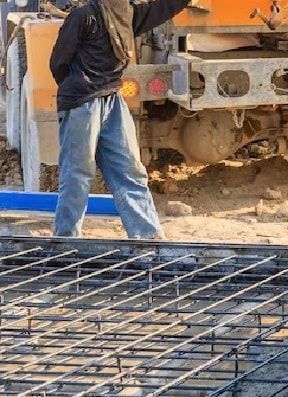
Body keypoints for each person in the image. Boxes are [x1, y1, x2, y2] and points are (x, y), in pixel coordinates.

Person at [50, 0, 193, 238]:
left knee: (130, 170)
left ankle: (147, 237)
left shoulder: (128, 15)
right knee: (78, 174)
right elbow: (59, 63)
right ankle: (65, 241)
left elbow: (164, 7)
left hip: (112, 99)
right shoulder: (84, 17)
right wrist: (82, 86)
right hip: (82, 102)